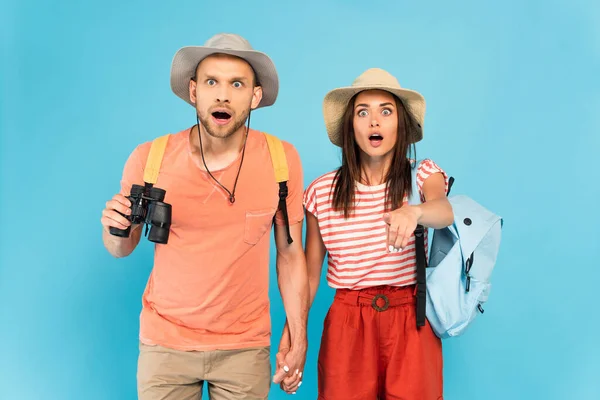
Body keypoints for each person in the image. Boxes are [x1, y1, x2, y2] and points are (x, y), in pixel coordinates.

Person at [100, 33, 309, 400]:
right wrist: (116, 226)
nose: (223, 95)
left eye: (237, 84)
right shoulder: (151, 157)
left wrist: (298, 335)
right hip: (165, 345)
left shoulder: (281, 160)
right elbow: (121, 249)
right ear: (194, 91)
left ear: (254, 97)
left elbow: (290, 256)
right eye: (212, 82)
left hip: (245, 347)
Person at [301, 68, 454, 399]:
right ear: (350, 126)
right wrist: (294, 333)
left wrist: (414, 212)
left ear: (399, 124)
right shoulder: (321, 191)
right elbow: (310, 274)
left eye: (386, 111)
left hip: (412, 317)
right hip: (348, 321)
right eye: (363, 112)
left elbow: (444, 211)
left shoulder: (422, 174)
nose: (375, 122)